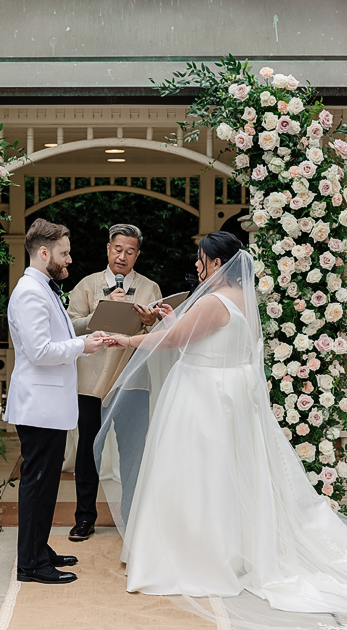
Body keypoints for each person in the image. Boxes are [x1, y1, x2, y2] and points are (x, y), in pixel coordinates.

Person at [99, 231, 347, 628]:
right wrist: (171, 316)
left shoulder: (214, 300)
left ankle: (193, 553)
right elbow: (204, 337)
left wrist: (126, 337)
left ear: (217, 263)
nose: (197, 266)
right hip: (225, 396)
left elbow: (177, 340)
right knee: (222, 475)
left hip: (202, 397)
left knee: (192, 474)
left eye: (201, 260)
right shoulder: (242, 301)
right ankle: (228, 546)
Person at [4, 219, 109, 585]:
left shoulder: (43, 288)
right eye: (64, 253)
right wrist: (84, 346)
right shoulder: (31, 291)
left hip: (47, 406)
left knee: (46, 484)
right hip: (39, 406)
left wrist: (85, 334)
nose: (69, 259)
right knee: (37, 484)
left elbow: (56, 335)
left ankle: (38, 548)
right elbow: (39, 351)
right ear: (44, 253)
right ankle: (30, 565)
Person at [65, 224, 162, 542]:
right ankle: (84, 518)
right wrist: (100, 311)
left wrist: (149, 323)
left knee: (132, 452)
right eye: (118, 249)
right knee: (87, 452)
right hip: (91, 384)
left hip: (132, 383)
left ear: (137, 254)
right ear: (108, 249)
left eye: (130, 251)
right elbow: (69, 325)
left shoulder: (150, 288)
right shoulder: (88, 285)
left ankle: (133, 516)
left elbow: (161, 338)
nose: (123, 256)